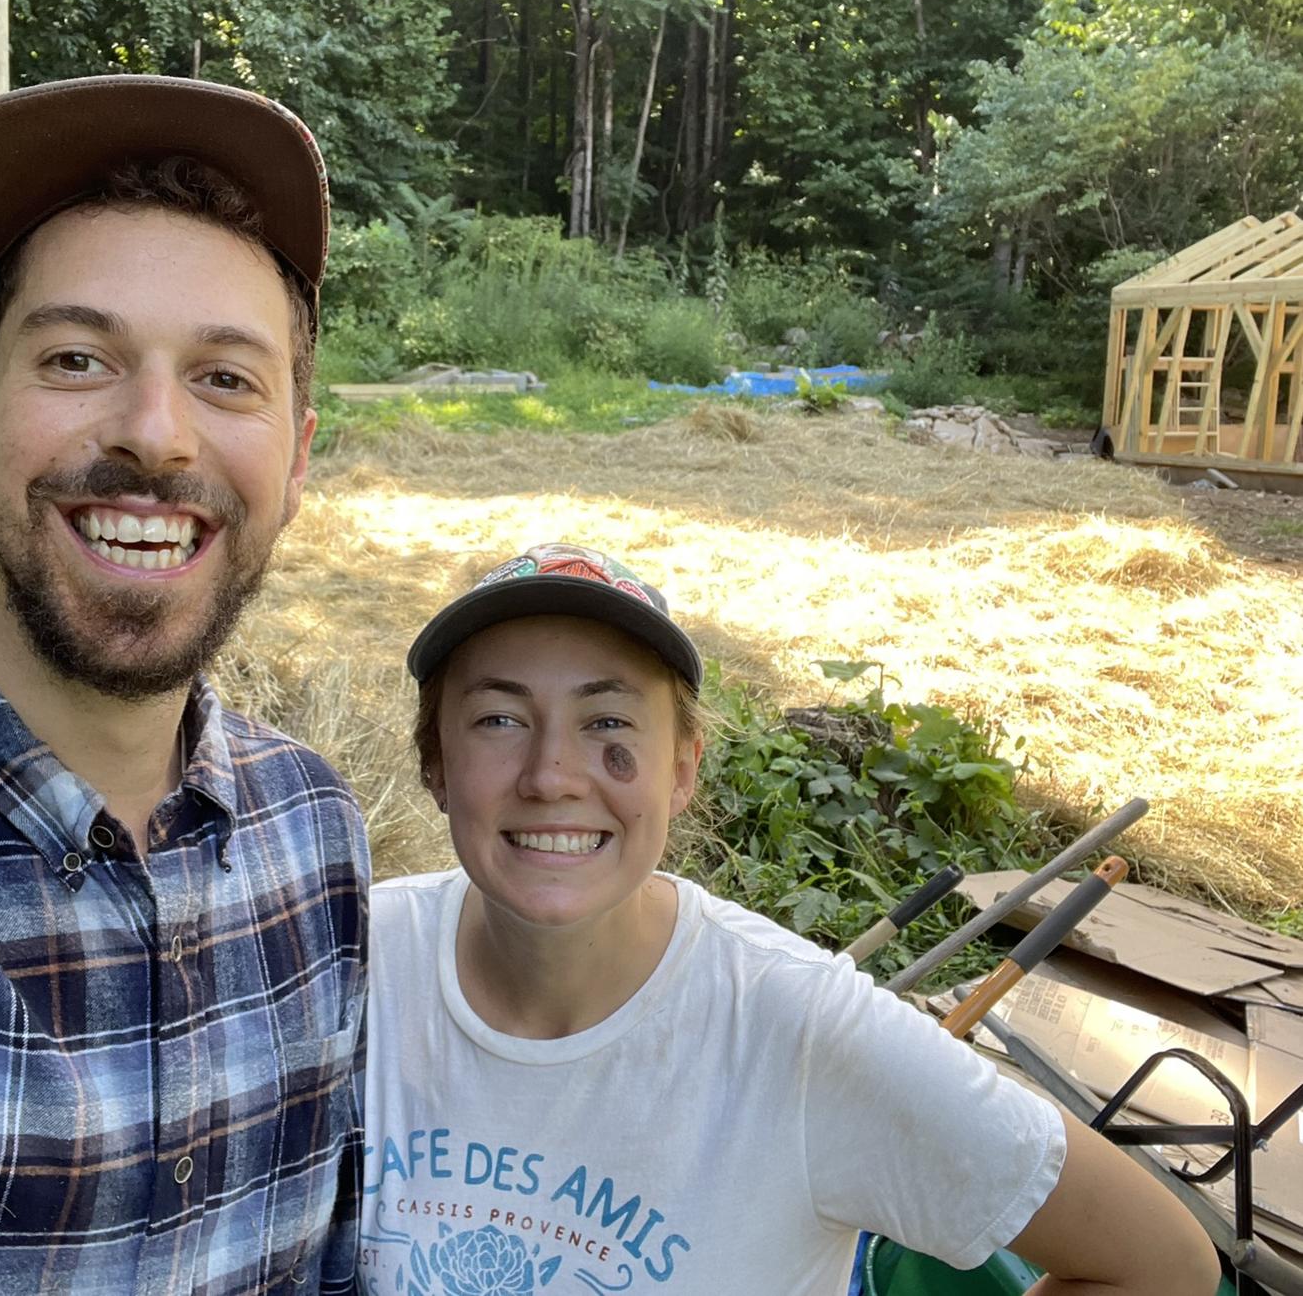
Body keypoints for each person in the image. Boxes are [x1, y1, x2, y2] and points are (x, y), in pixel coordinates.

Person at [0, 76, 368, 1293]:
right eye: (76, 357)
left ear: (298, 458)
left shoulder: (318, 841)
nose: (157, 434)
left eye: (226, 379)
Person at [359, 543, 1220, 1296]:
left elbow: (1162, 1265)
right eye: (499, 719)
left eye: (608, 721)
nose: (551, 774)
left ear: (683, 768)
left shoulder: (802, 1032)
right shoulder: (351, 964)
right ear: (435, 762)